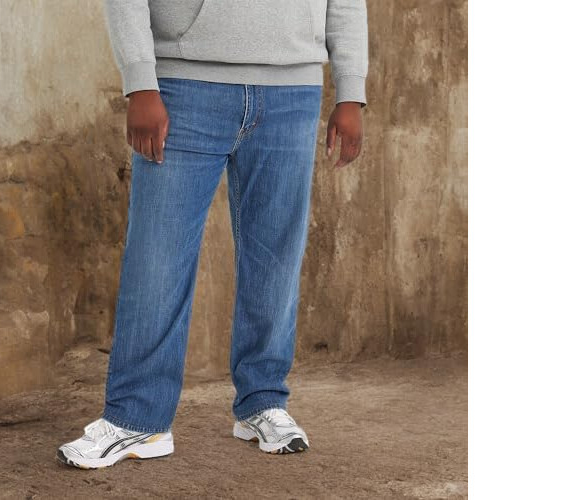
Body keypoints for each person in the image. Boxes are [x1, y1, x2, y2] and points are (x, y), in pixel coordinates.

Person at [57, 0, 368, 469]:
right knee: (157, 260)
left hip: (293, 88)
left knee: (276, 259)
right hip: (184, 85)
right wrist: (140, 82)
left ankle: (263, 402)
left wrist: (351, 91)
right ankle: (137, 418)